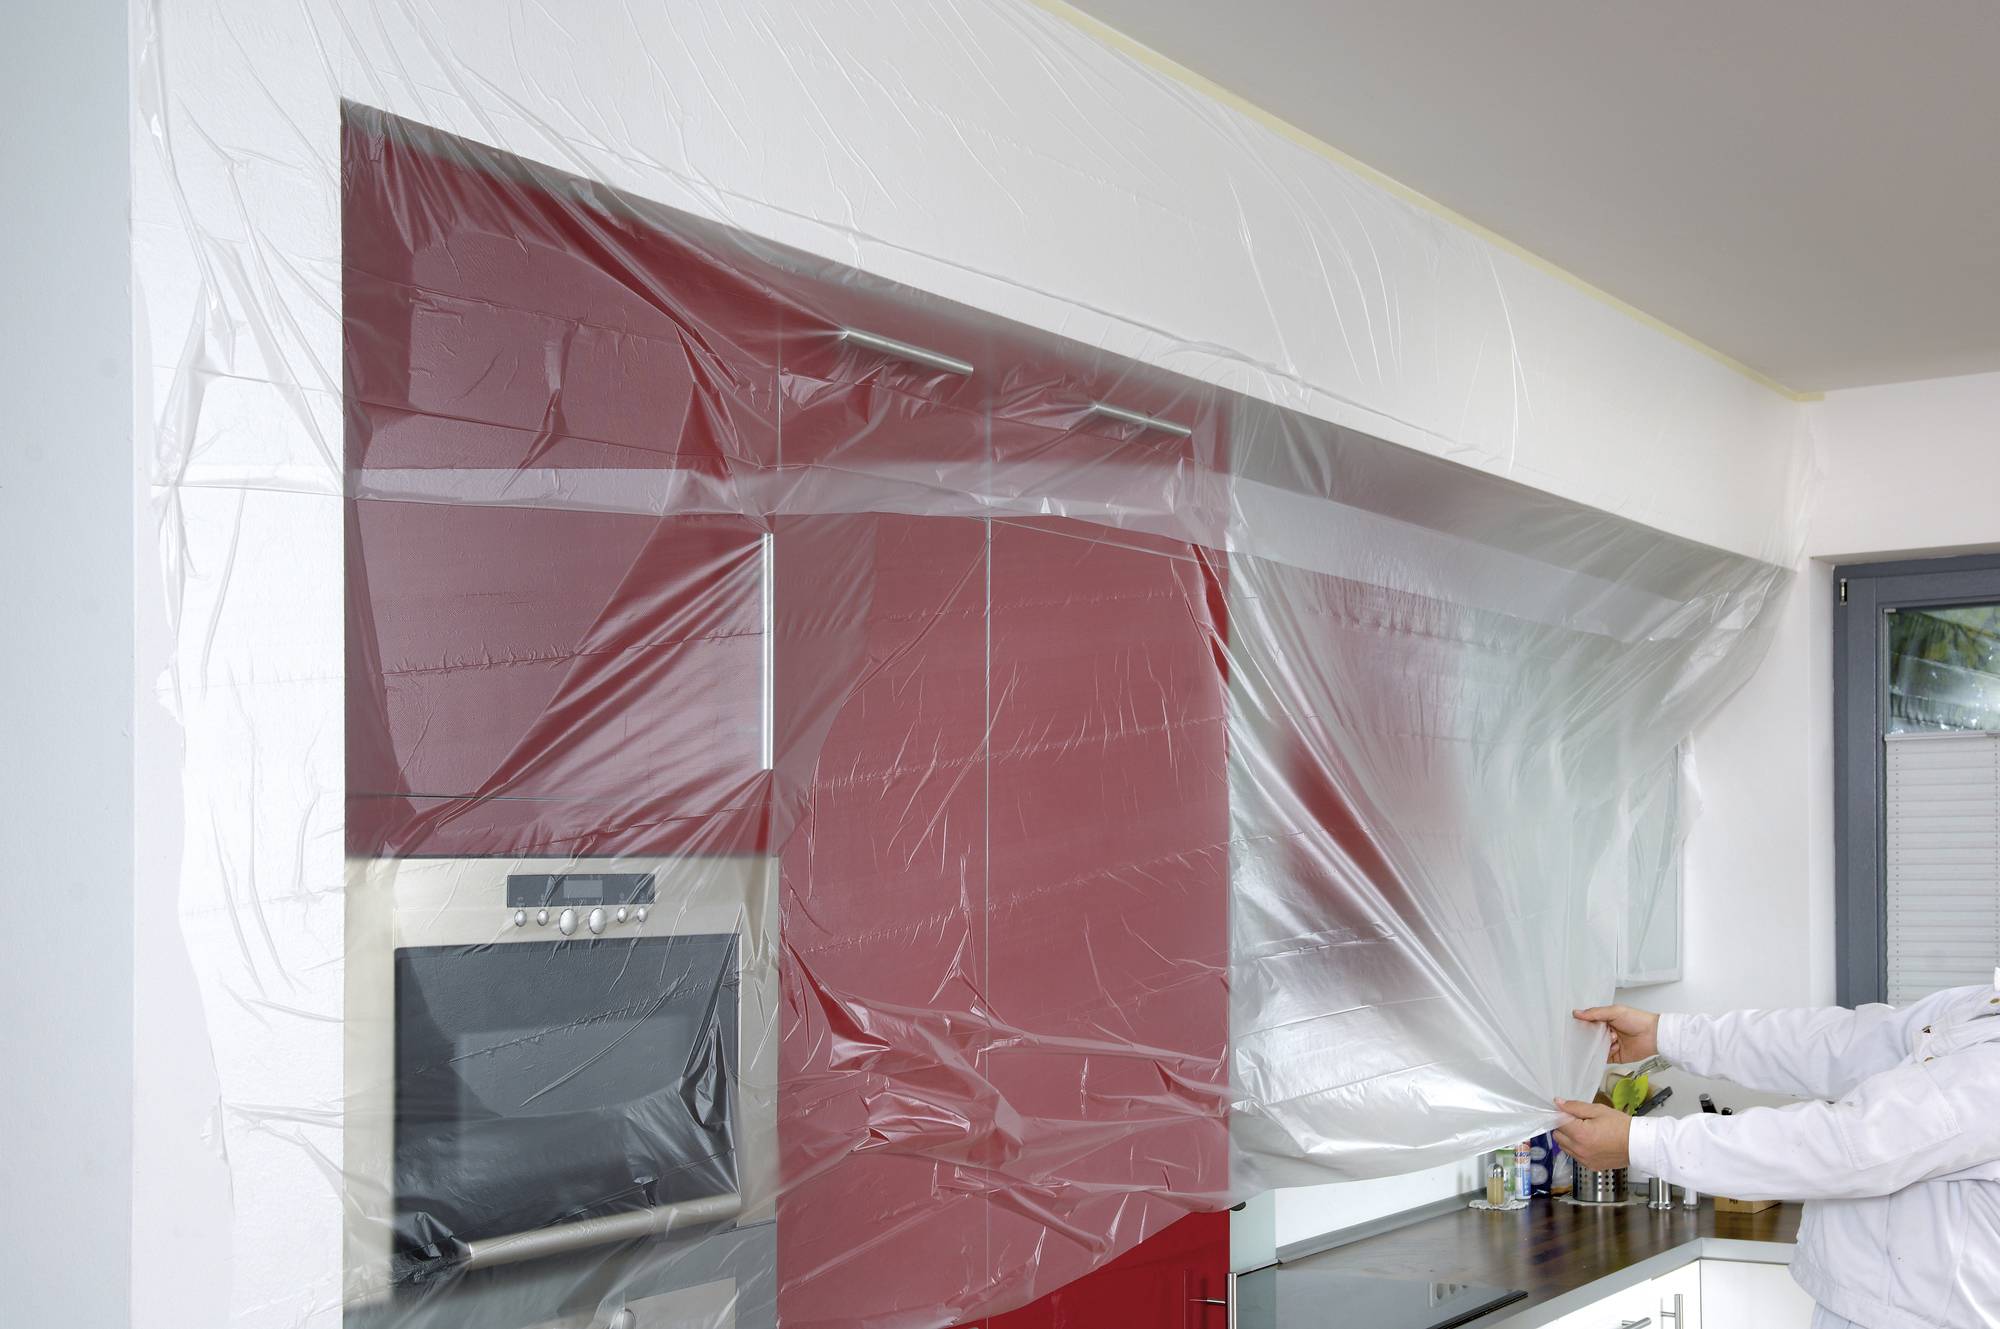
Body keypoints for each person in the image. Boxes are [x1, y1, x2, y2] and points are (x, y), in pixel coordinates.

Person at [1554, 980, 2000, 1329]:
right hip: (1880, 1308)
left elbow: (1844, 1146)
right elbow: (1846, 1043)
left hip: (1924, 1317)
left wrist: (1640, 1142)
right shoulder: (1981, 1007)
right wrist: (1665, 1033)